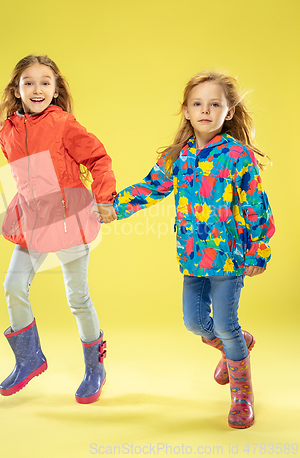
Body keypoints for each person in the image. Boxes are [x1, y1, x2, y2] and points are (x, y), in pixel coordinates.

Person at [113, 71, 275, 428]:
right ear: (186, 111)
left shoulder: (237, 156)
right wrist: (115, 207)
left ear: (228, 112)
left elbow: (256, 206)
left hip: (230, 258)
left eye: (214, 104)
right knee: (195, 322)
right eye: (197, 104)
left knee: (226, 324)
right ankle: (238, 346)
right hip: (192, 258)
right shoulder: (178, 157)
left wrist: (258, 250)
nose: (205, 110)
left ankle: (242, 392)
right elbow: (151, 188)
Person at [0, 55, 117, 403]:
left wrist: (104, 197)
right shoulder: (7, 131)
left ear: (56, 89)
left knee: (77, 297)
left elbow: (98, 159)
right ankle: (29, 357)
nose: (37, 89)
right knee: (13, 285)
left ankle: (95, 368)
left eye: (45, 82)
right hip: (32, 220)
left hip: (68, 218)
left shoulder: (64, 124)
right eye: (29, 82)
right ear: (16, 90)